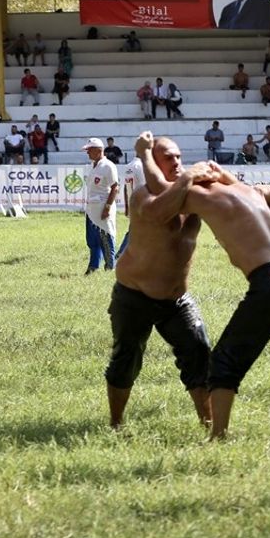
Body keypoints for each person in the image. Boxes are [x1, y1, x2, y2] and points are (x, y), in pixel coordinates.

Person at [136, 138, 270, 443]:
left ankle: (218, 438)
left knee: (223, 363)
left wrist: (146, 155)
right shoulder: (248, 192)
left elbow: (161, 198)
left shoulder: (200, 194)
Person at [107, 134, 218, 428]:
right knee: (126, 359)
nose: (177, 163)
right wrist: (146, 156)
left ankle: (210, 424)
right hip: (134, 295)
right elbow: (162, 211)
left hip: (175, 300)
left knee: (199, 351)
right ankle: (116, 423)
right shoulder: (142, 197)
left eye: (179, 157)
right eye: (168, 157)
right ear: (152, 163)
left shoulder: (192, 194)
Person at [82, 138, 119, 275]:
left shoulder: (108, 166)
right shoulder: (92, 166)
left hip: (103, 207)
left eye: (89, 150)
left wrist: (107, 208)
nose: (87, 153)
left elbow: (115, 187)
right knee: (92, 240)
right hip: (91, 209)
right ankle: (93, 266)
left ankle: (110, 266)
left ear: (98, 150)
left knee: (106, 237)